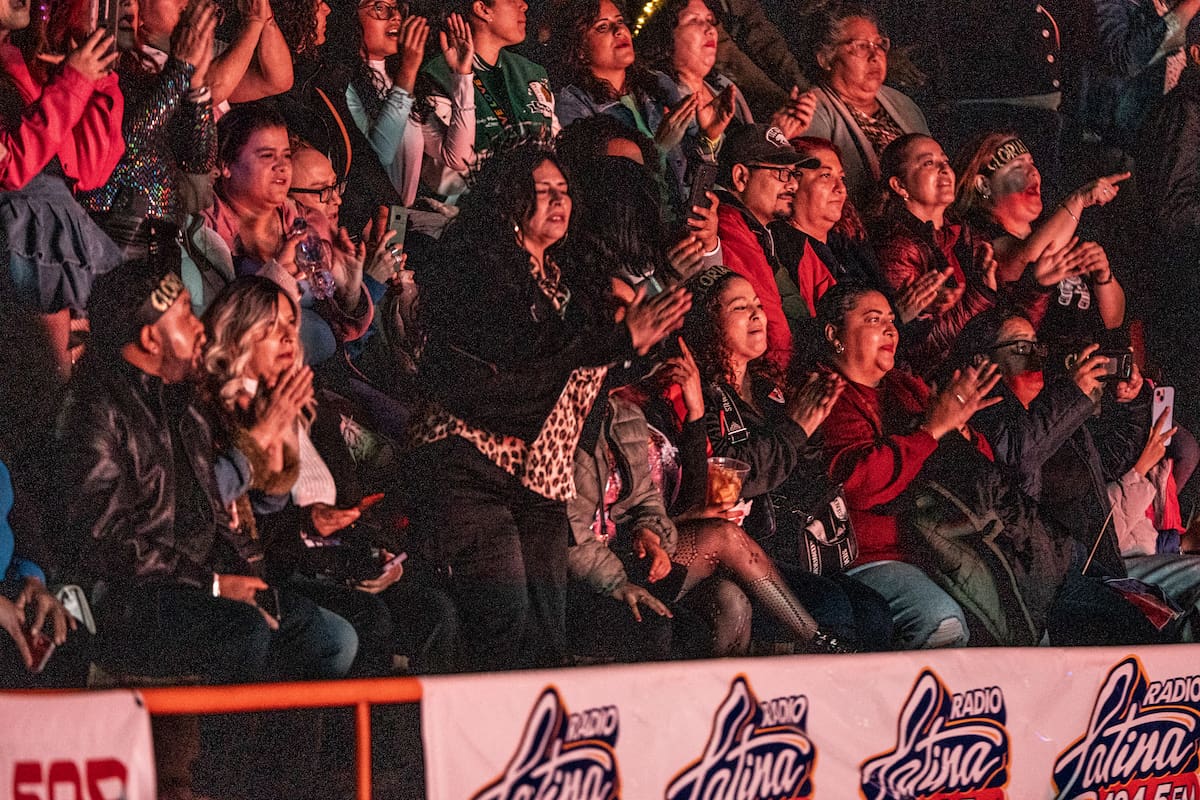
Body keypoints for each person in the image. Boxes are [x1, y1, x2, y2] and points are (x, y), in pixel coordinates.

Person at [406, 143, 691, 671]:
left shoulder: (568, 278)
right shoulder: (481, 270)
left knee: (547, 635)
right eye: (543, 191)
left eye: (564, 191)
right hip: (473, 467)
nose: (559, 201)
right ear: (509, 200)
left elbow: (581, 378)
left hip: (541, 477)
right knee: (504, 620)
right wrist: (617, 340)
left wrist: (638, 346)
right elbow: (524, 361)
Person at [58, 261, 357, 683]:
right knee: (247, 632)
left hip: (194, 581)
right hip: (133, 600)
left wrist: (249, 574)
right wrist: (214, 584)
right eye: (184, 314)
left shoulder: (183, 405)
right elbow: (105, 542)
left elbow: (211, 515)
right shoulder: (94, 412)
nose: (200, 327)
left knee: (328, 637)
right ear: (151, 339)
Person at [683, 265, 894, 651]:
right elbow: (730, 478)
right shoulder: (703, 396)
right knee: (831, 608)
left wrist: (813, 430)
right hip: (743, 554)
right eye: (739, 307)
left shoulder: (769, 390)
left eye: (758, 305)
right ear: (708, 323)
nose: (756, 314)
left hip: (792, 546)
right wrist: (795, 429)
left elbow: (802, 469)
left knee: (874, 612)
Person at [818, 282, 1034, 649]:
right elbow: (860, 485)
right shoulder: (825, 393)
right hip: (872, 557)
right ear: (834, 334)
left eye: (892, 320)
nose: (890, 330)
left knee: (1028, 613)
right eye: (873, 320)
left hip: (942, 548)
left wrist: (961, 431)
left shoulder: (905, 386)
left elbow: (982, 469)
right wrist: (932, 430)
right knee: (942, 622)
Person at [0, 0, 124, 378]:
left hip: (60, 234)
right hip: (23, 241)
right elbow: (11, 167)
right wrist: (73, 83)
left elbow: (89, 169)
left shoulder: (21, 61)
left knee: (77, 377)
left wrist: (96, 81)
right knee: (48, 381)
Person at [952, 131, 1127, 351]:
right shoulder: (981, 237)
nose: (1033, 172)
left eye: (1032, 163)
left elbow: (1114, 320)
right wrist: (1079, 199)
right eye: (1017, 167)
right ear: (984, 185)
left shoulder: (1056, 228)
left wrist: (1104, 277)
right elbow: (1026, 257)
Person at [80, 0, 219, 259]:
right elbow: (130, 143)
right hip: (110, 240)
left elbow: (198, 160)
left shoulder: (146, 77)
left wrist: (197, 86)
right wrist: (180, 70)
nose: (126, 7)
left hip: (162, 242)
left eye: (132, 1)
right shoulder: (80, 78)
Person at [553, 0, 700, 213]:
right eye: (603, 27)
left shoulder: (658, 84)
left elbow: (693, 158)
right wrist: (659, 148)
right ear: (580, 50)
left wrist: (711, 136)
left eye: (620, 21)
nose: (619, 30)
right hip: (635, 221)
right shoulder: (572, 103)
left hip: (682, 216)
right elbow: (607, 188)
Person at [873, 133, 998, 380]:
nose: (944, 169)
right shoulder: (897, 247)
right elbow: (915, 349)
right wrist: (981, 295)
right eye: (929, 163)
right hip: (932, 381)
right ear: (899, 185)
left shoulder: (961, 232)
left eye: (945, 161)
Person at [278, 0, 403, 234]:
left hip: (348, 232)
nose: (327, 9)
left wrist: (392, 211)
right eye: (317, 3)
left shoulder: (324, 78)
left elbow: (359, 154)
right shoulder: (283, 91)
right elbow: (382, 152)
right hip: (314, 235)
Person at [332, 3, 476, 204]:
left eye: (396, 7)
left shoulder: (401, 79)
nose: (396, 16)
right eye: (380, 7)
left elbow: (458, 158)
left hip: (400, 217)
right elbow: (379, 156)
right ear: (351, 18)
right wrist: (408, 71)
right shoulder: (341, 84)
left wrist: (462, 76)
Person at [713, 123, 818, 372]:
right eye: (781, 173)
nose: (793, 185)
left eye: (794, 174)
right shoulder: (727, 224)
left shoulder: (763, 230)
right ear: (741, 177)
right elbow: (771, 324)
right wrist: (791, 376)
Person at [634, 0, 816, 138]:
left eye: (710, 20)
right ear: (665, 35)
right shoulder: (660, 101)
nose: (710, 30)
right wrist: (771, 136)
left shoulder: (723, 86)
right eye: (694, 21)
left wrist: (778, 132)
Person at [805, 9, 929, 210]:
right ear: (826, 58)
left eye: (879, 44)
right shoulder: (812, 111)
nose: (875, 55)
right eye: (861, 46)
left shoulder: (902, 104)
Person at [423, 0, 558, 166]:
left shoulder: (530, 71)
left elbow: (556, 146)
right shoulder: (434, 75)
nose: (524, 5)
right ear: (482, 9)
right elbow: (459, 160)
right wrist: (462, 77)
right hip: (474, 183)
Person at [768, 136, 881, 306]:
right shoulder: (786, 253)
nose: (841, 188)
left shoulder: (848, 242)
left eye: (842, 178)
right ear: (792, 184)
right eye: (826, 175)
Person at [143, 0, 293, 107]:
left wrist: (263, 13)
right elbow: (208, 93)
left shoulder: (195, 45)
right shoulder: (137, 62)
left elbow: (277, 80)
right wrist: (254, 22)